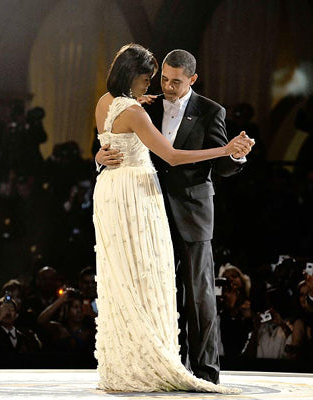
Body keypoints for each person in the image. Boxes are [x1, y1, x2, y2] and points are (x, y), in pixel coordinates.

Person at [93, 43, 253, 393]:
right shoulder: (141, 105)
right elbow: (121, 142)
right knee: (152, 288)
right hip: (144, 209)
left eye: (173, 82)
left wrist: (234, 155)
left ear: (192, 78)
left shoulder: (210, 111)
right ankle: (165, 362)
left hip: (191, 213)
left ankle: (205, 372)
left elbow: (223, 167)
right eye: (160, 79)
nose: (164, 87)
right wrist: (99, 157)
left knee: (198, 296)